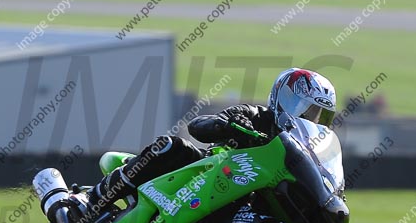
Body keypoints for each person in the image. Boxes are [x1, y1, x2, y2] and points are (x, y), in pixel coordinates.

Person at [84, 68, 337, 213]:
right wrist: (226, 125)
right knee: (173, 147)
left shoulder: (309, 152)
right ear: (283, 98)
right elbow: (198, 126)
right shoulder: (256, 116)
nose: (311, 120)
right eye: (305, 109)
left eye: (319, 115)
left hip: (248, 199)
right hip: (206, 176)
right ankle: (92, 200)